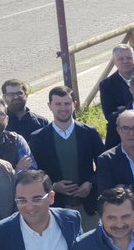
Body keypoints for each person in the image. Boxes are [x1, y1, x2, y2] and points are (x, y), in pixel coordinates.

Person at [28, 87, 105, 217]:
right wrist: (52, 186)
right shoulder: (38, 138)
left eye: (67, 103)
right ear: (49, 106)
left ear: (74, 105)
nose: (63, 108)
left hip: (88, 207)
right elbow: (34, 173)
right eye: (58, 104)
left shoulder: (89, 133)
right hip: (55, 210)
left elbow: (104, 165)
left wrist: (91, 183)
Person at [0, 97, 35, 172]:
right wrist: (15, 172)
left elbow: (30, 176)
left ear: (7, 120)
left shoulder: (16, 141)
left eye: (0, 113)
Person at [98, 44, 134, 136]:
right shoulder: (106, 85)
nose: (125, 61)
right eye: (121, 59)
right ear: (114, 62)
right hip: (121, 132)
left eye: (129, 58)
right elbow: (109, 115)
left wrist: (122, 109)